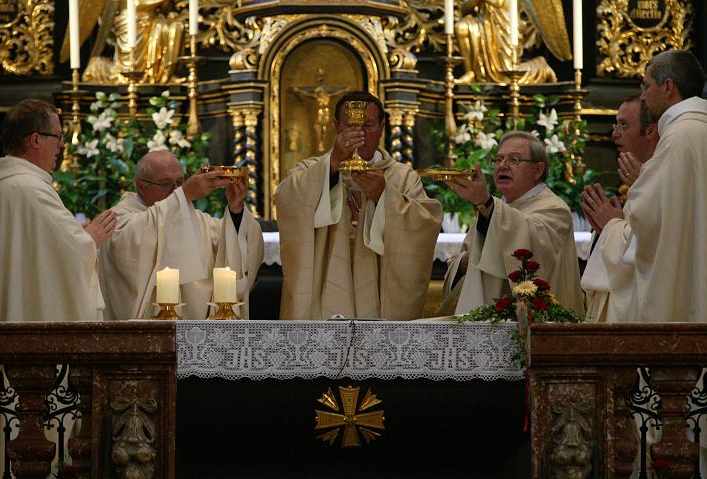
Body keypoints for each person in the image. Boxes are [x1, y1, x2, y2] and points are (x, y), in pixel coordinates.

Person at [275, 91, 442, 320]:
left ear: (382, 127)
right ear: (336, 126)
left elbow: (423, 226)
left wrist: (384, 196)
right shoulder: (311, 170)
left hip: (380, 291)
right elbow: (287, 199)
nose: (359, 134)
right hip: (324, 288)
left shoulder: (402, 178)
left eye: (368, 125)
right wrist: (333, 165)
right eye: (350, 126)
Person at [0, 99, 116, 322]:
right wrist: (91, 237)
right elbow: (73, 252)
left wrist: (76, 233)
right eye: (58, 136)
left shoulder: (5, 185)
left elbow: (37, 251)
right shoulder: (30, 189)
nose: (62, 144)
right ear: (36, 139)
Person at [98, 151, 264, 320]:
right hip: (142, 333)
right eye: (165, 183)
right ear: (141, 186)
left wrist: (236, 210)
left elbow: (235, 242)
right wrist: (185, 194)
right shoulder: (119, 219)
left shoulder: (196, 218)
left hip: (196, 330)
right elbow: (128, 241)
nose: (176, 190)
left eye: (180, 182)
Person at [440, 130, 583, 315]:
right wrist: (465, 262)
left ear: (538, 170)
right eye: (499, 159)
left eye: (514, 159)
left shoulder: (554, 209)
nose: (502, 166)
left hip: (539, 322)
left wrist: (486, 203)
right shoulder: (495, 209)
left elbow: (532, 250)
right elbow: (466, 257)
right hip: (489, 321)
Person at [623, 50, 707, 322]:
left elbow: (648, 217)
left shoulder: (678, 137)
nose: (643, 96)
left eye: (646, 86)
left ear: (668, 87)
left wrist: (639, 186)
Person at [580, 94, 659, 322]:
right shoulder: (642, 178)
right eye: (616, 125)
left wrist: (611, 225)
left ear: (650, 131)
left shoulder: (662, 178)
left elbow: (648, 251)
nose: (614, 134)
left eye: (623, 125)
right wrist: (605, 230)